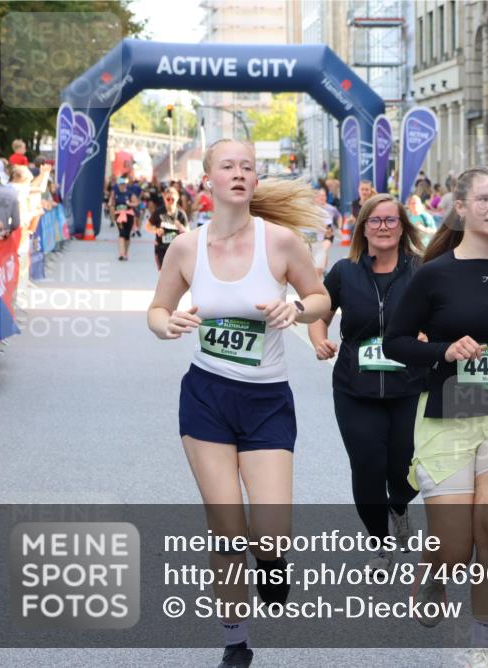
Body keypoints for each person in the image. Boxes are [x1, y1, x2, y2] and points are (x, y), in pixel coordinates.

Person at [146, 138, 331, 668]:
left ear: (255, 179)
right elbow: (157, 310)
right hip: (206, 397)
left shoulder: (282, 243)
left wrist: (295, 310)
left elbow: (320, 298)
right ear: (208, 179)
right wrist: (170, 325)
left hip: (267, 401)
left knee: (270, 535)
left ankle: (272, 561)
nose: (239, 172)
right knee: (226, 526)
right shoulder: (187, 247)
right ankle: (235, 641)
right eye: (227, 165)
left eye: (247, 166)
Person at [383, 166, 488, 668]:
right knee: (456, 548)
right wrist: (443, 350)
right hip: (446, 413)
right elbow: (395, 342)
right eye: (483, 199)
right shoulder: (432, 275)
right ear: (460, 208)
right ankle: (435, 571)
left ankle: (484, 647)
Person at [308, 193, 426, 572]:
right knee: (367, 465)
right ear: (363, 228)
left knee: (407, 468)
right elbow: (318, 312)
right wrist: (317, 340)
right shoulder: (345, 271)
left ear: (403, 227)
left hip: (409, 385)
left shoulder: (422, 270)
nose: (383, 227)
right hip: (354, 386)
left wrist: (429, 336)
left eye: (391, 220)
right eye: (375, 221)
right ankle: (378, 542)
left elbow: (442, 315)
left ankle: (399, 505)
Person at [146, 187, 189, 271]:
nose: (170, 202)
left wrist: (180, 226)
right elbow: (147, 226)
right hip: (161, 248)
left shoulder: (181, 214)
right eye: (168, 199)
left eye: (173, 199)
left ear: (177, 199)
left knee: (175, 273)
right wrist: (156, 230)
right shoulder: (158, 212)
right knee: (164, 273)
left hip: (176, 249)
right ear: (164, 198)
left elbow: (188, 233)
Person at [109, 174, 141, 260]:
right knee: (121, 233)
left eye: (123, 184)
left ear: (125, 185)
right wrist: (111, 205)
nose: (122, 186)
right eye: (120, 184)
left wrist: (130, 204)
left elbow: (136, 203)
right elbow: (111, 202)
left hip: (129, 215)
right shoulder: (115, 193)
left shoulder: (130, 194)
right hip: (119, 216)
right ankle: (121, 254)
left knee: (127, 235)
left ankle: (126, 253)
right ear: (118, 185)